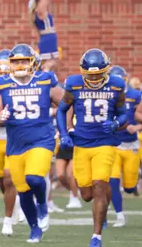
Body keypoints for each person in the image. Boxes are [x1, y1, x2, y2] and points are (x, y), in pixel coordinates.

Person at [0, 44, 63, 243]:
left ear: (32, 62)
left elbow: (65, 103)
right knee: (22, 190)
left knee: (34, 178)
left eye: (24, 60)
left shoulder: (44, 80)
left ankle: (42, 204)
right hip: (16, 144)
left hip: (42, 139)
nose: (20, 65)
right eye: (16, 61)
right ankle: (34, 229)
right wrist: (0, 117)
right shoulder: (3, 83)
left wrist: (60, 122)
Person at [57, 49, 127, 247]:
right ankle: (101, 208)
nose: (94, 78)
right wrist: (64, 133)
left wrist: (114, 124)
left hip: (105, 144)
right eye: (91, 74)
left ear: (107, 70)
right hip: (81, 143)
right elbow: (62, 111)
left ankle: (96, 236)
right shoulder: (73, 84)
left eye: (98, 74)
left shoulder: (116, 85)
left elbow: (123, 115)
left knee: (99, 185)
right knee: (87, 195)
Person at [0, 49, 20, 236]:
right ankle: (14, 202)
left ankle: (7, 220)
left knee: (9, 178)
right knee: (1, 179)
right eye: (1, 68)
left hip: (14, 137)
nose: (4, 72)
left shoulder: (20, 85)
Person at [106, 66, 140, 227]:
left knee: (128, 187)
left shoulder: (135, 95)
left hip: (131, 144)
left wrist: (138, 127)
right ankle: (120, 215)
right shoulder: (107, 95)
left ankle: (132, 187)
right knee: (112, 181)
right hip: (114, 145)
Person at [27, 0, 59, 72]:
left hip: (46, 38)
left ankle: (45, 79)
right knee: (49, 64)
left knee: (50, 63)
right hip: (49, 38)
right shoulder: (41, 10)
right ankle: (44, 80)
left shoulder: (37, 12)